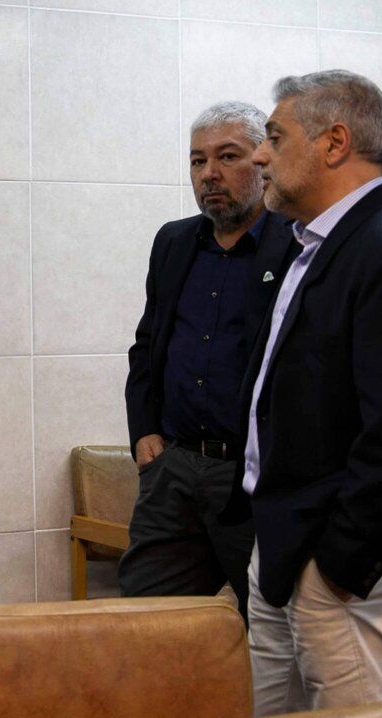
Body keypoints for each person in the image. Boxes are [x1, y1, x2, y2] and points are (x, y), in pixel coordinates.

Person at [227, 71, 382, 714]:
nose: (259, 155)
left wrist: (337, 566)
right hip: (283, 544)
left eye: (274, 137)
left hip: (342, 565)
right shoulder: (314, 245)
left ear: (334, 143)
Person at [120, 102, 297, 615]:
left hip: (251, 474)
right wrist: (143, 430)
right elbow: (148, 343)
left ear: (262, 160)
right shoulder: (174, 241)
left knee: (270, 625)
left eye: (227, 157)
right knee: (145, 626)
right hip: (172, 467)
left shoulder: (296, 244)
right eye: (198, 161)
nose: (209, 174)